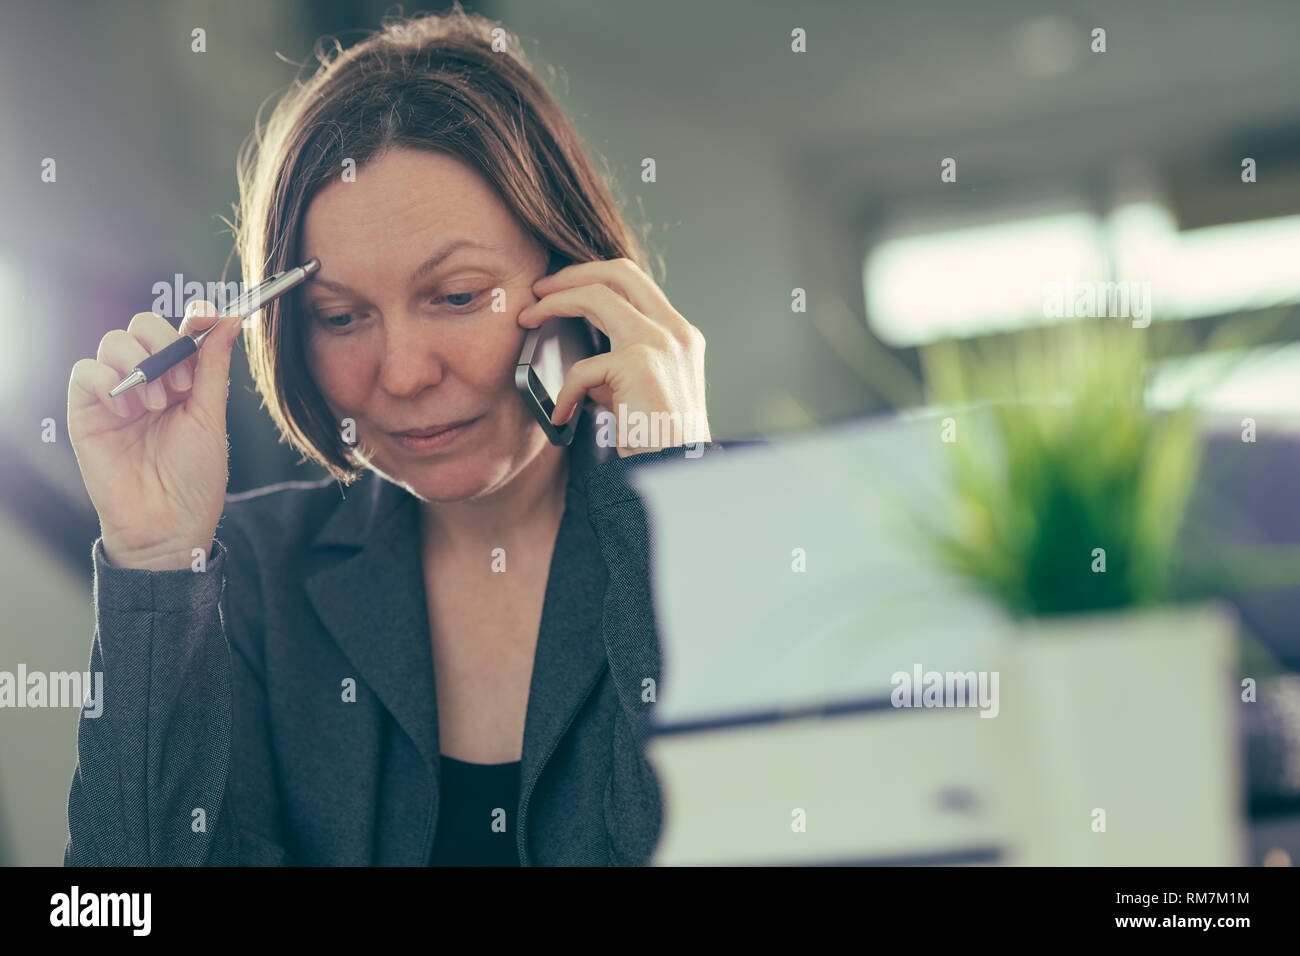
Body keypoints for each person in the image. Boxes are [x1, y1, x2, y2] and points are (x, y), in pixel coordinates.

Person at [63, 7, 719, 866]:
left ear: (574, 281)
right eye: (341, 316)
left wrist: (683, 501)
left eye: (455, 296)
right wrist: (152, 561)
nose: (403, 372)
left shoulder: (735, 533)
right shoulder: (248, 579)